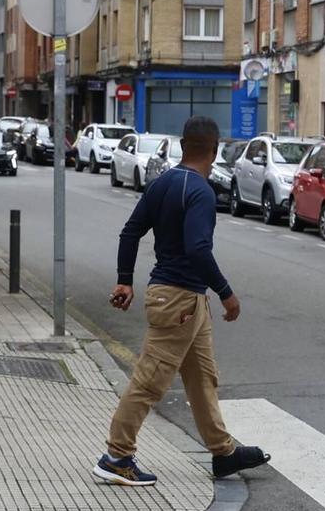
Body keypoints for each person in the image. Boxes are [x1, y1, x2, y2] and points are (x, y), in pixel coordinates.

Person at [98, 113, 269, 487]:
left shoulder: (163, 184)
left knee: (202, 378)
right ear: (215, 149)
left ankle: (222, 453)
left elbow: (130, 233)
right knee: (150, 381)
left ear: (181, 145)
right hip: (179, 300)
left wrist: (125, 280)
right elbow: (198, 249)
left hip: (186, 302)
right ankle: (116, 455)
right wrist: (227, 293)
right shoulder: (201, 192)